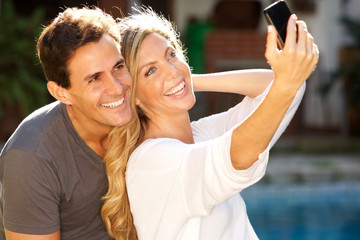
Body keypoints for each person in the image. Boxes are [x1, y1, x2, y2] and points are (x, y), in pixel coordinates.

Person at [101, 7, 319, 240]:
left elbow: (279, 89)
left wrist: (185, 80)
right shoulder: (152, 160)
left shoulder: (201, 134)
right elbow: (237, 157)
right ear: (132, 95)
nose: (172, 71)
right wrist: (174, 81)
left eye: (171, 55)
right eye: (150, 71)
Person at [0, 6, 133, 240]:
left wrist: (186, 82)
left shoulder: (137, 111)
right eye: (95, 78)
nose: (117, 87)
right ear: (61, 93)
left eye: (118, 67)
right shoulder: (32, 156)